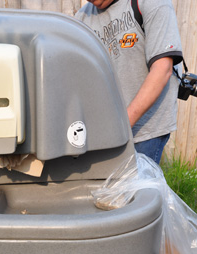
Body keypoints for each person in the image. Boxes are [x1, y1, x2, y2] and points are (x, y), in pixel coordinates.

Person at [76, 0, 183, 163]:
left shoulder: (151, 3)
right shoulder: (82, 18)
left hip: (145, 130)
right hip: (103, 131)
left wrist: (120, 126)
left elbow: (162, 69)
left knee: (137, 188)